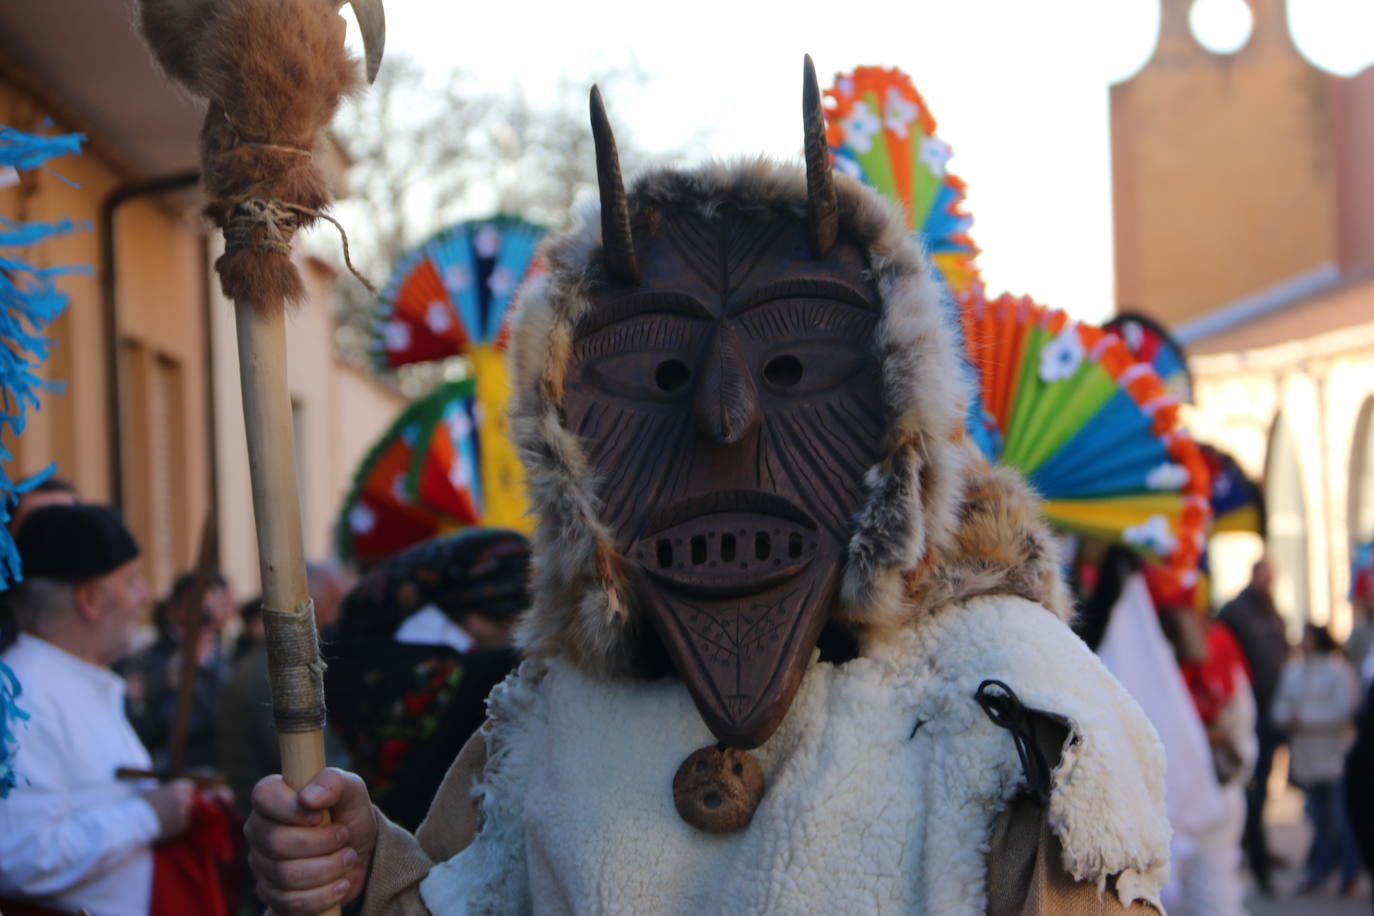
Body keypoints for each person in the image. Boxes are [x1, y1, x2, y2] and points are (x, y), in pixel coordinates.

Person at [244, 66, 1169, 914]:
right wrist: (366, 867)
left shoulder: (1002, 709)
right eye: (656, 375)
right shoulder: (552, 720)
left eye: (796, 365)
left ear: (897, 415)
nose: (727, 418)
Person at [0, 505, 197, 916]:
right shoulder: (22, 695)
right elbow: (19, 857)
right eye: (132, 582)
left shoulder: (78, 678)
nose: (146, 597)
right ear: (89, 598)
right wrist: (148, 815)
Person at [324, 530, 527, 832]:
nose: (523, 633)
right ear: (476, 617)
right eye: (519, 618)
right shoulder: (454, 674)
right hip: (402, 857)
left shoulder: (369, 655)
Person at [219, 562, 351, 816]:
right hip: (281, 828)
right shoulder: (276, 674)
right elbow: (315, 773)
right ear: (312, 607)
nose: (337, 618)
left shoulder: (272, 665)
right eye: (335, 606)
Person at [1273, 623, 1362, 895]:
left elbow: (1344, 708)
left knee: (1341, 819)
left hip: (1334, 756)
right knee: (1316, 818)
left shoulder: (1337, 672)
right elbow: (1280, 706)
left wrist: (1308, 719)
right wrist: (1289, 718)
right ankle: (1320, 870)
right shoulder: (1295, 672)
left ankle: (1350, 872)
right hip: (1307, 758)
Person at [1218, 557, 1289, 894]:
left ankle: (1253, 854)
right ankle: (1252, 857)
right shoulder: (1236, 613)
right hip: (1248, 710)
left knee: (1260, 790)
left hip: (1272, 712)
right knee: (1248, 788)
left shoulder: (1270, 611)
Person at [121, 569, 236, 772]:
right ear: (175, 610)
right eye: (199, 607)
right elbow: (143, 725)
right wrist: (173, 680)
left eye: (218, 605)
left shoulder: (224, 658)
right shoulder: (147, 661)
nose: (210, 615)